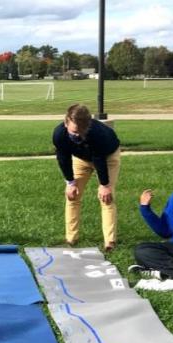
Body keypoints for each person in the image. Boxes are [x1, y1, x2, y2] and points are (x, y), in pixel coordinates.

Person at [53, 104, 121, 251]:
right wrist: (70, 182)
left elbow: (99, 158)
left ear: (88, 124)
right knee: (72, 196)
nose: (78, 136)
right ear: (66, 123)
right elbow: (63, 157)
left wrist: (105, 185)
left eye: (82, 132)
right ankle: (71, 238)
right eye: (74, 132)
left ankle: (110, 242)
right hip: (81, 158)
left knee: (107, 198)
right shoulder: (59, 134)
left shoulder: (97, 133)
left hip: (107, 157)